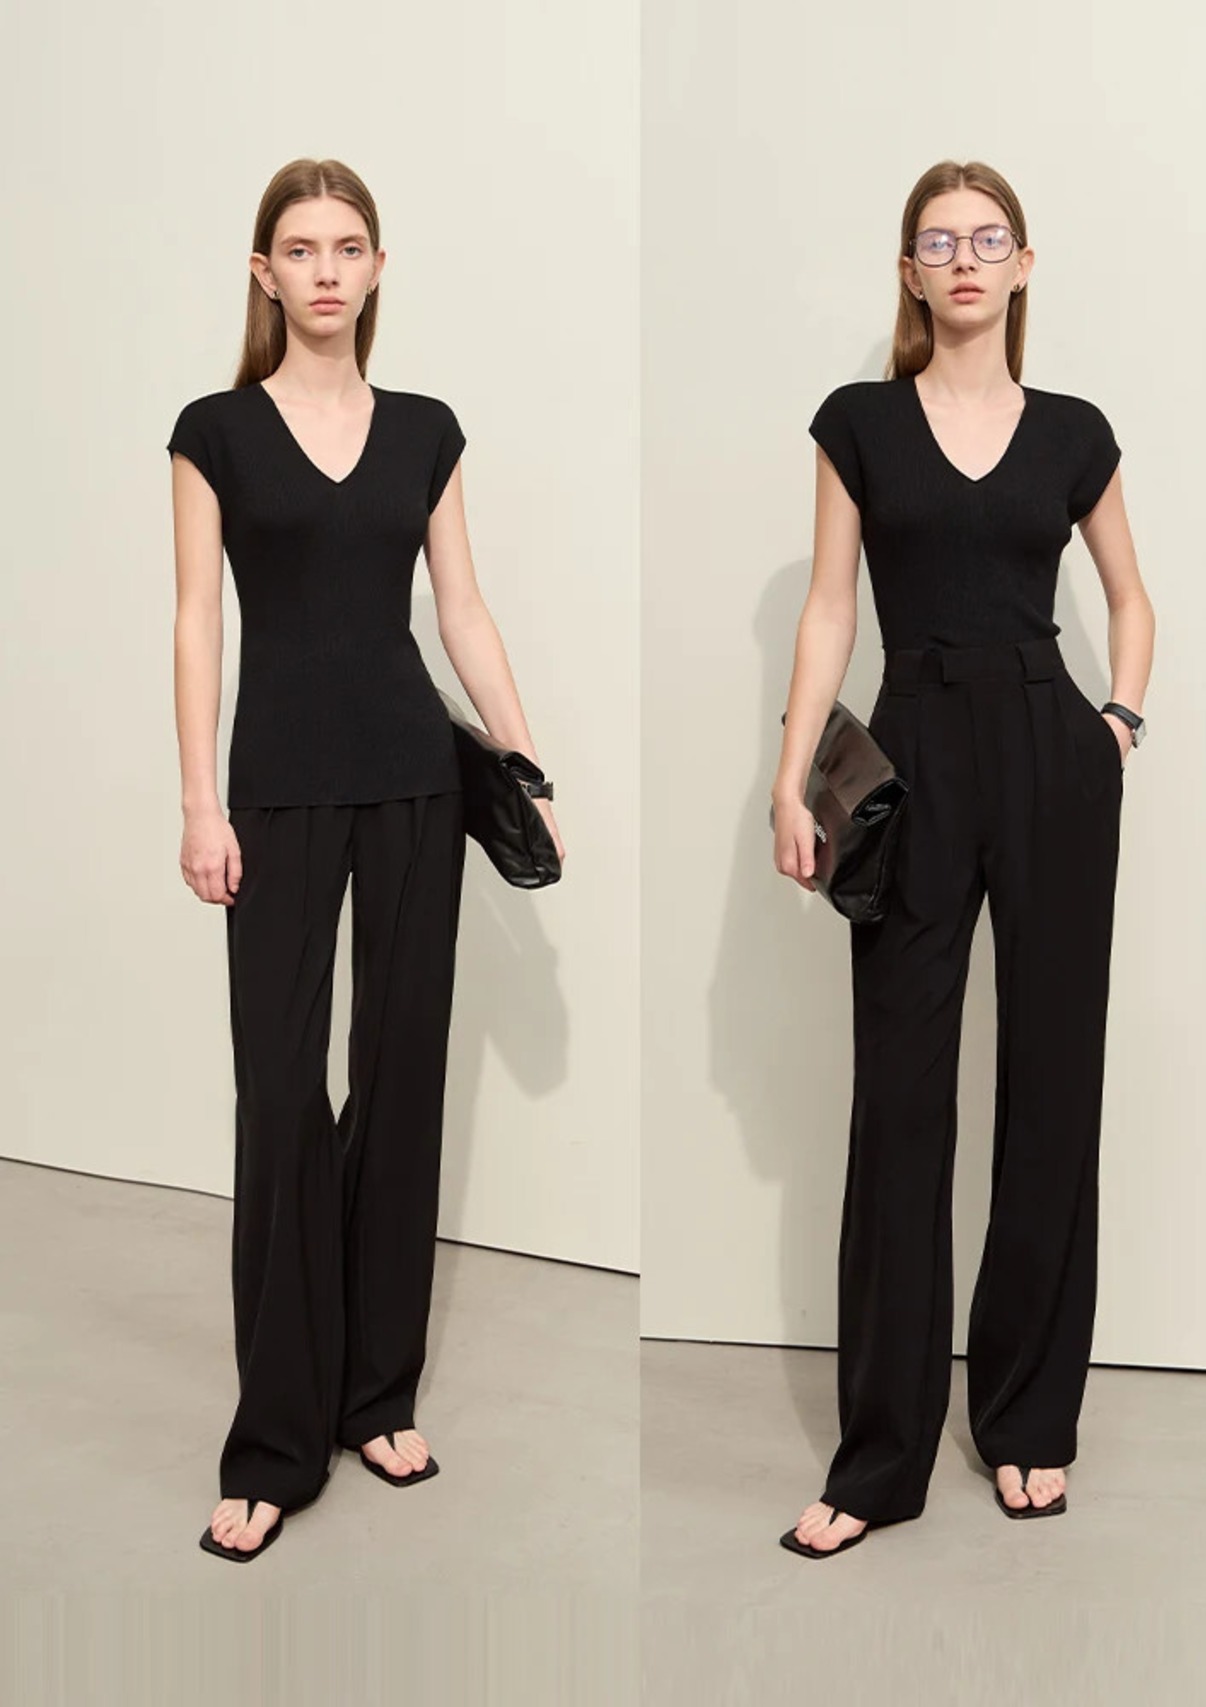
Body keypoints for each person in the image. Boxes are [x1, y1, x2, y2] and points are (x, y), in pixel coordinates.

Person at [168, 157, 565, 1562]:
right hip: (275, 791)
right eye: (299, 248)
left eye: (347, 247)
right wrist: (199, 803)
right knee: (282, 1098)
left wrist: (523, 763)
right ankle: (276, 1439)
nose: (325, 269)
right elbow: (196, 622)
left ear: (378, 268)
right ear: (263, 273)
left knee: (399, 1084)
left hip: (413, 781)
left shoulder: (427, 432)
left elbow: (463, 611)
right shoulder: (214, 432)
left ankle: (376, 1394)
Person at [771, 160, 1154, 1558]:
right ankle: (879, 1456)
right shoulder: (860, 422)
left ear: (1025, 264)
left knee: (1053, 1089)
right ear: (911, 272)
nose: (967, 259)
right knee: (901, 1103)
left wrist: (1116, 724)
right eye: (940, 242)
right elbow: (829, 608)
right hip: (914, 753)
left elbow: (1130, 597)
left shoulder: (1075, 431)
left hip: (1054, 758)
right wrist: (791, 773)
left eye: (989, 239)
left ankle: (1028, 1419)